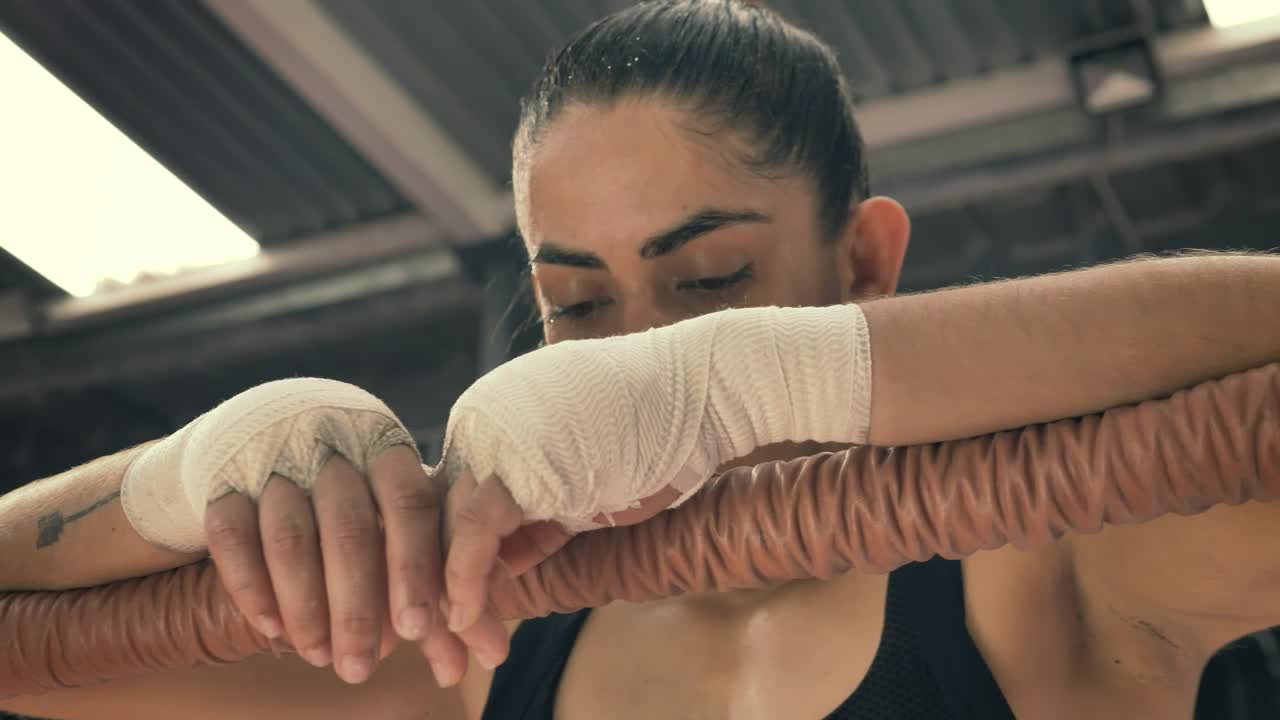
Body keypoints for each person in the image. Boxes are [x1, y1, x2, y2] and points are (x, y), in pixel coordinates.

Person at [2, 2, 1279, 719]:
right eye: (575, 305)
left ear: (863, 266)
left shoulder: (1041, 564)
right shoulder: (482, 635)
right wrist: (204, 467)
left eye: (711, 281)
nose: (635, 357)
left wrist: (741, 385)